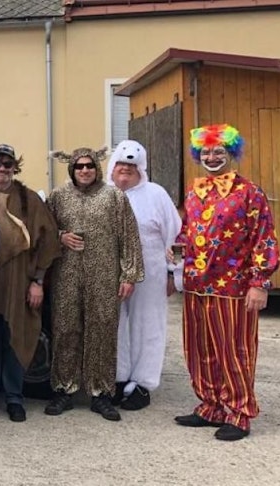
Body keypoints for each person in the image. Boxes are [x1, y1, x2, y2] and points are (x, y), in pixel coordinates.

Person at [175, 124, 279, 441]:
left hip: (234, 287)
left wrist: (260, 282)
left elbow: (264, 238)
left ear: (231, 153)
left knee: (235, 351)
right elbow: (187, 231)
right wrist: (175, 248)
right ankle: (211, 406)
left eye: (219, 151)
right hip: (196, 286)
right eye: (206, 152)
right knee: (200, 349)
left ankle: (238, 413)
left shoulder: (250, 193)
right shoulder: (194, 193)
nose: (212, 157)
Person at [45, 146, 144, 421]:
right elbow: (43, 230)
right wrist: (61, 236)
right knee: (65, 329)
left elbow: (129, 237)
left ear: (97, 168)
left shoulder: (114, 197)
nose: (85, 170)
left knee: (102, 330)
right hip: (67, 275)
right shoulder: (58, 196)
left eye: (89, 165)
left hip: (104, 276)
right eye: (79, 166)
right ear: (72, 169)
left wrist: (129, 275)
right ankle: (64, 389)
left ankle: (101, 393)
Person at [0, 144, 60, 423]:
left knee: (15, 339)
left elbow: (48, 242)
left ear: (14, 167)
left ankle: (14, 398)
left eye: (7, 164)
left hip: (19, 282)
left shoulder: (29, 200)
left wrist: (38, 281)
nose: (2, 170)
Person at [106, 140, 181, 411]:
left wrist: (173, 272)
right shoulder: (103, 194)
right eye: (120, 166)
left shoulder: (156, 194)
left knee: (147, 324)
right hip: (110, 270)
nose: (125, 171)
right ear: (112, 167)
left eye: (131, 167)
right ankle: (117, 378)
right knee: (114, 325)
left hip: (151, 270)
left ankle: (142, 383)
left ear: (141, 168)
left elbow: (174, 235)